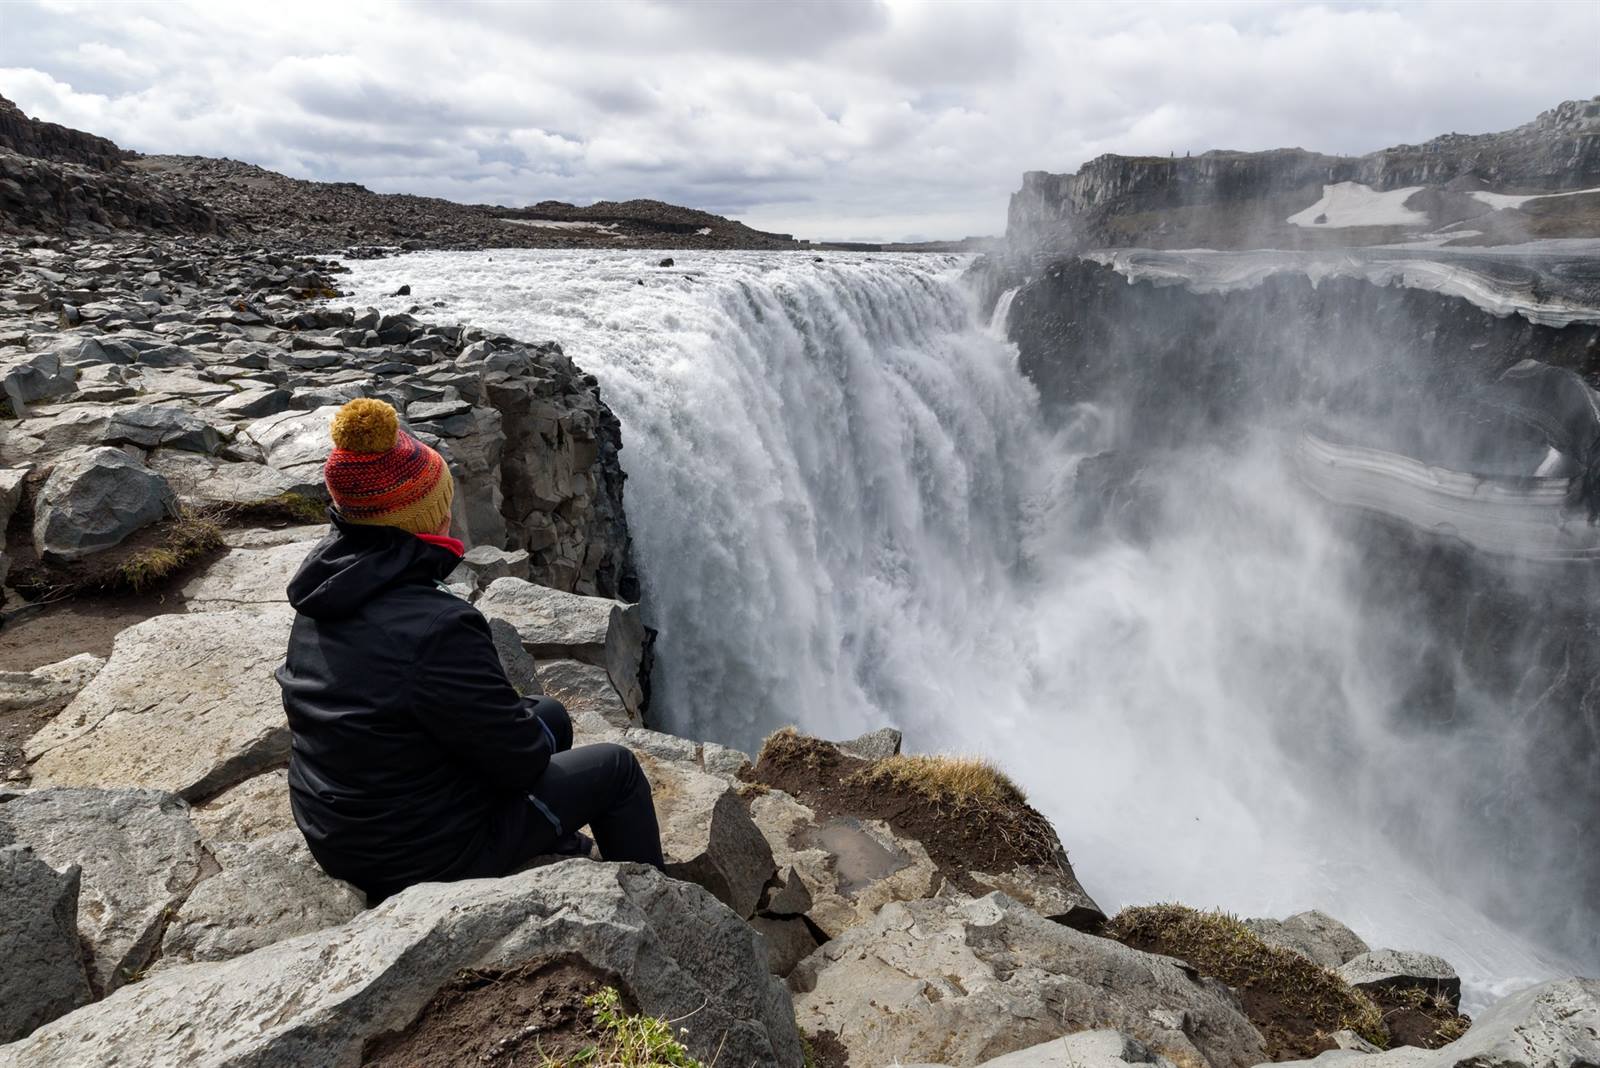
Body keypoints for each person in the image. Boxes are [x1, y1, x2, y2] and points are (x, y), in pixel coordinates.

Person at [277, 397, 663, 901]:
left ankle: (546, 836)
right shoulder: (438, 626)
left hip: (339, 827)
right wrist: (521, 734)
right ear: (426, 515)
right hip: (419, 854)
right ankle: (662, 909)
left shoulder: (325, 588)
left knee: (550, 715)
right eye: (443, 503)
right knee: (616, 769)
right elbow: (520, 760)